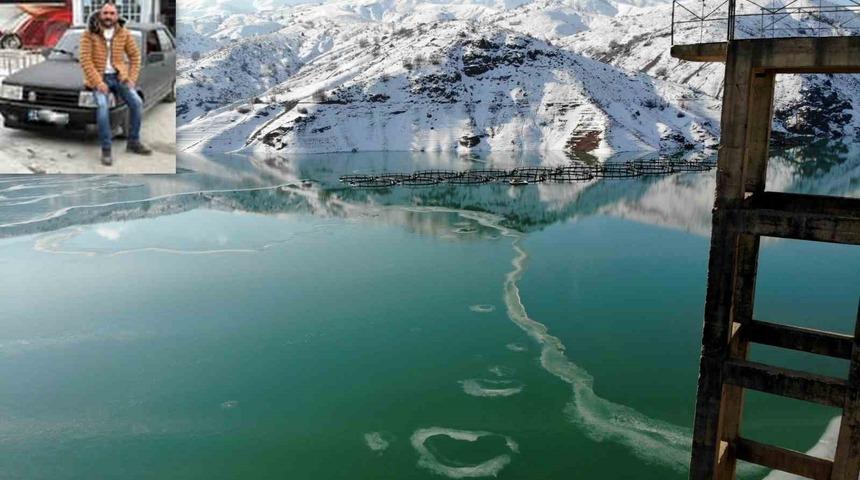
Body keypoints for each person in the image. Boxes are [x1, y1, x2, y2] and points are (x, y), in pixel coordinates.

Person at [79, 1, 151, 166]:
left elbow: (135, 56)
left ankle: (133, 142)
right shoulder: (89, 33)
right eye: (105, 13)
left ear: (116, 15)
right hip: (99, 78)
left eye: (112, 13)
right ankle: (106, 149)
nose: (108, 17)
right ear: (100, 14)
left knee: (137, 103)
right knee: (103, 108)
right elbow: (85, 60)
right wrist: (98, 82)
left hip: (119, 78)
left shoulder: (123, 33)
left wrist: (131, 79)